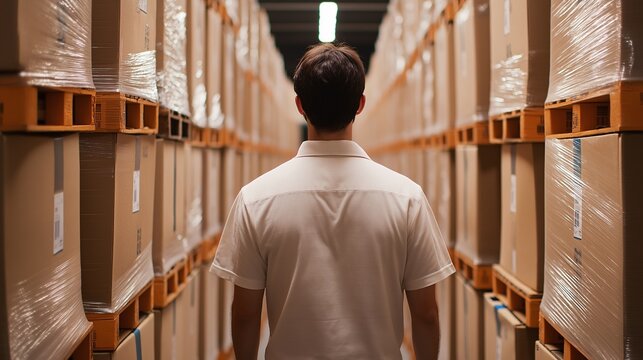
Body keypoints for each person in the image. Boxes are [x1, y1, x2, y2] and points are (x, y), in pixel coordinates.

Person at [210, 43, 455, 360]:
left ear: (300, 106)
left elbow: (245, 314)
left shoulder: (256, 199)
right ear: (360, 105)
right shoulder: (406, 197)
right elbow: (426, 314)